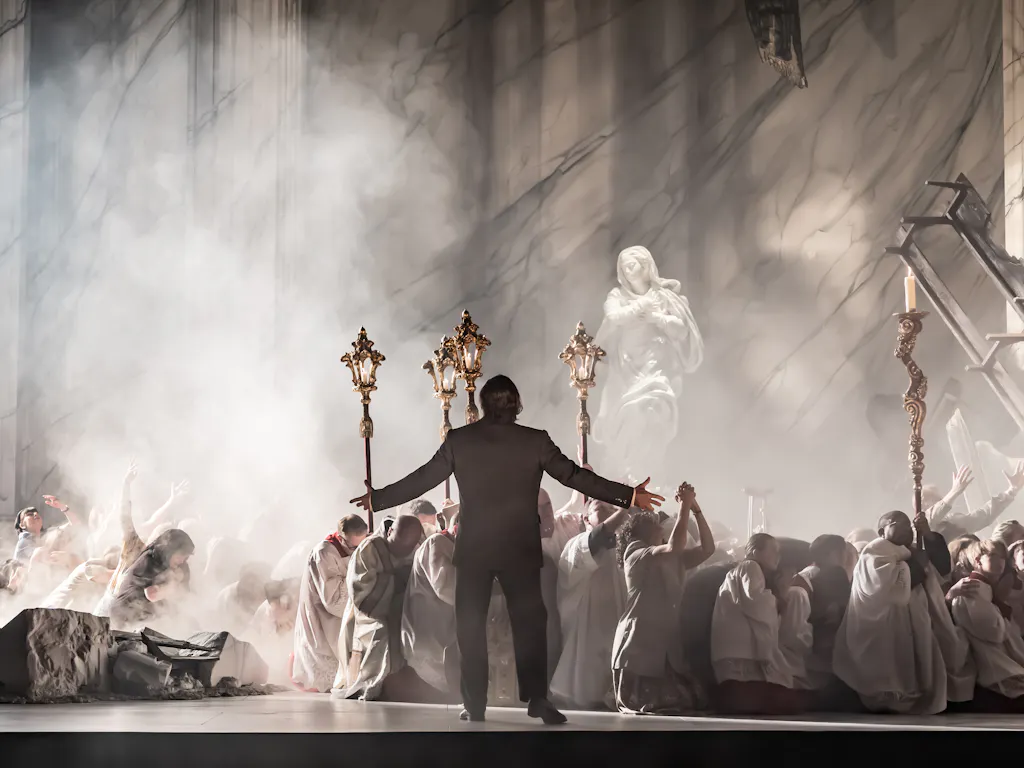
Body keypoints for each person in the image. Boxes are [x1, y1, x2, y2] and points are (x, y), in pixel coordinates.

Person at [350, 374, 662, 724]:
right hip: (518, 549)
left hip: (475, 550)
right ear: (516, 405)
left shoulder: (461, 441)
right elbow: (576, 476)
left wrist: (379, 499)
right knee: (530, 624)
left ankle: (476, 702)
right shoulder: (534, 441)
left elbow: (422, 477)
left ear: (483, 405)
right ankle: (537, 699)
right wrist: (629, 495)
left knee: (471, 626)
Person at [832, 509, 974, 714]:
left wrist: (928, 535)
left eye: (909, 525)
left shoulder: (913, 550)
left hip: (917, 618)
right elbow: (890, 590)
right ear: (882, 531)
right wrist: (917, 564)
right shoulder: (875, 550)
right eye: (899, 523)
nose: (908, 528)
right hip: (885, 623)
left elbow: (942, 568)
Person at [611, 482, 715, 714]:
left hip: (664, 639)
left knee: (689, 699)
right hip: (640, 640)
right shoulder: (636, 554)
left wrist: (696, 510)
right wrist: (684, 507)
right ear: (643, 531)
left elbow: (708, 549)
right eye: (657, 526)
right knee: (654, 702)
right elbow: (674, 547)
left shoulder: (669, 557)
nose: (661, 529)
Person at [549, 498, 632, 710]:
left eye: (611, 507)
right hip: (586, 655)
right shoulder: (575, 545)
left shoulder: (626, 550)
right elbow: (597, 539)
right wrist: (623, 510)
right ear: (586, 519)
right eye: (599, 507)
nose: (608, 509)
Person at [711, 533, 807, 714]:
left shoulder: (746, 571)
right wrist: (782, 596)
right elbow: (756, 602)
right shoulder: (749, 566)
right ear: (755, 551)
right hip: (740, 659)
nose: (778, 556)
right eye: (774, 550)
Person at [333, 516, 422, 701]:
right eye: (399, 545)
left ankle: (417, 682)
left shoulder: (417, 548)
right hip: (370, 614)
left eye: (408, 547)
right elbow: (360, 588)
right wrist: (397, 580)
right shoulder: (371, 548)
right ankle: (378, 683)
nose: (403, 551)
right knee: (382, 633)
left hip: (404, 608)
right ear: (390, 532)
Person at [292, 514, 369, 692]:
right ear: (341, 537)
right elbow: (333, 600)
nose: (356, 550)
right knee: (330, 665)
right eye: (352, 546)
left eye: (361, 544)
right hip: (325, 614)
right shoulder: (324, 553)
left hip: (346, 612)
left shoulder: (359, 544)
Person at [950, 539, 1024, 711]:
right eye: (993, 556)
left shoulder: (987, 589)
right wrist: (1002, 614)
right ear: (978, 560)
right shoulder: (972, 588)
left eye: (1003, 557)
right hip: (994, 670)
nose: (1000, 562)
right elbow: (994, 631)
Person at [401, 509, 460, 701]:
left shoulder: (451, 544)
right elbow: (445, 586)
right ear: (458, 529)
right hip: (427, 622)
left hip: (444, 620)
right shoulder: (436, 544)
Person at [109, 529, 195, 630]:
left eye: (186, 557)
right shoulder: (149, 562)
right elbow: (152, 594)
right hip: (126, 616)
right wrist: (173, 583)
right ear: (169, 551)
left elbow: (185, 596)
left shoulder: (180, 566)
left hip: (149, 615)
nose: (182, 561)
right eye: (180, 556)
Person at [923, 463, 1024, 540]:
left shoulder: (952, 521)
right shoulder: (918, 531)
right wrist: (954, 492)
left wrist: (1012, 490)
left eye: (935, 498)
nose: (933, 502)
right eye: (928, 499)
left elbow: (984, 516)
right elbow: (931, 517)